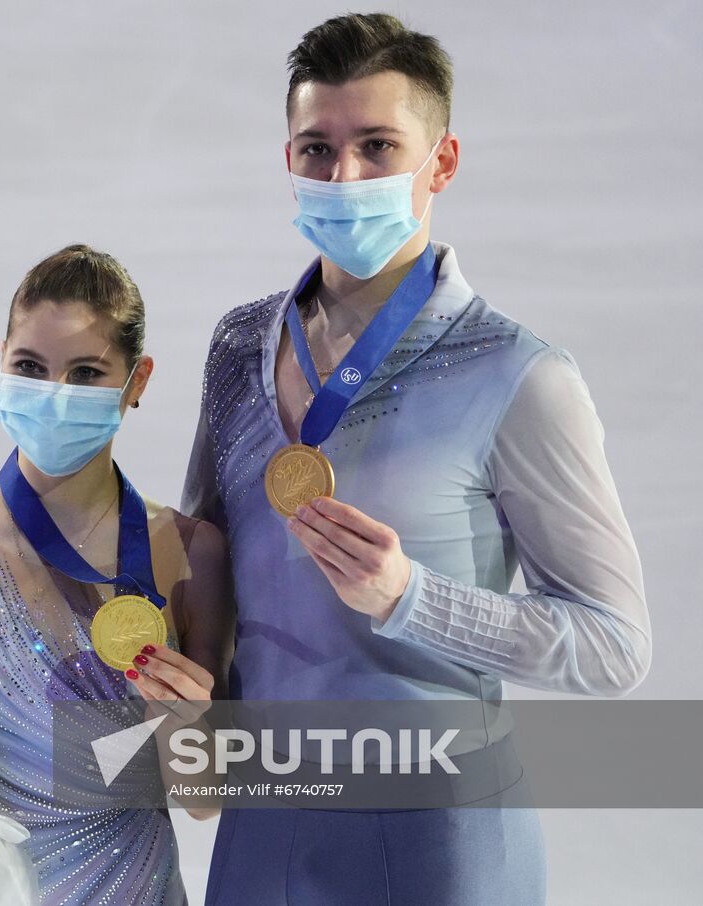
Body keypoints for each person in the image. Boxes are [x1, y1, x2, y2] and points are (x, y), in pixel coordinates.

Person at [183, 13, 652, 905]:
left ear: (441, 162)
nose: (344, 174)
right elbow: (206, 569)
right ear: (287, 158)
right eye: (316, 148)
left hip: (442, 831)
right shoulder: (240, 345)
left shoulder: (519, 373)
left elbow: (614, 647)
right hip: (264, 819)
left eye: (378, 145)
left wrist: (412, 600)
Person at [0, 243, 236, 904]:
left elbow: (203, 799)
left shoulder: (191, 553)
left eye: (87, 373)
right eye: (30, 367)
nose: (54, 395)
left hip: (135, 886)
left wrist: (188, 725)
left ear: (138, 382)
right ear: (1, 363)